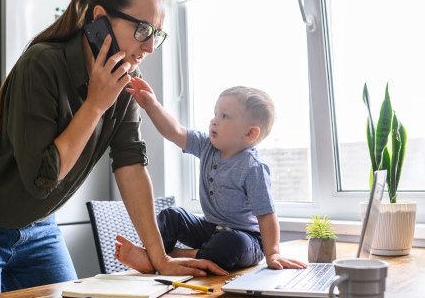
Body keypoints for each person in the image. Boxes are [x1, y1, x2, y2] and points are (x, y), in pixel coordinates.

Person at [0, 0, 226, 298]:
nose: (150, 46)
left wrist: (160, 258)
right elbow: (42, 179)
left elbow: (130, 162)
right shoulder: (42, 63)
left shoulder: (127, 77)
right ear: (101, 19)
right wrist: (96, 104)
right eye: (142, 29)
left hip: (39, 229)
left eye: (157, 34)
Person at [116, 79, 307, 272]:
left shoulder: (253, 167)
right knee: (171, 215)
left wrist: (273, 253)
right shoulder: (207, 145)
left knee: (229, 243)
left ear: (250, 133)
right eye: (215, 114)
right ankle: (155, 256)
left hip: (246, 239)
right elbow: (175, 131)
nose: (214, 120)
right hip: (209, 229)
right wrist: (152, 106)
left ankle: (174, 256)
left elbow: (266, 215)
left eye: (225, 116)